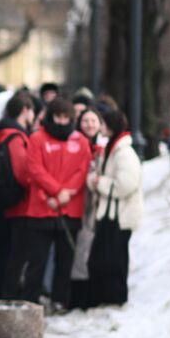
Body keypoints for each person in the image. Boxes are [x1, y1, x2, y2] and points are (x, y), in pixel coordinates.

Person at [9, 97, 92, 313]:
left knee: (65, 261)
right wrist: (56, 192)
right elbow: (34, 168)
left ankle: (60, 300)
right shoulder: (37, 139)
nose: (62, 122)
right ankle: (31, 300)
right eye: (58, 117)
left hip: (69, 209)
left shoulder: (80, 141)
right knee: (37, 260)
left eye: (66, 118)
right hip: (42, 209)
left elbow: (82, 170)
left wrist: (67, 193)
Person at [86, 109, 143, 306]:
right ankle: (107, 298)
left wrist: (100, 183)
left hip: (119, 215)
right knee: (106, 259)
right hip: (112, 214)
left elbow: (126, 183)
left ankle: (114, 299)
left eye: (102, 123)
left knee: (114, 260)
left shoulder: (124, 153)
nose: (100, 127)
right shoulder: (114, 148)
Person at [0, 92, 34, 298]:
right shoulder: (16, 137)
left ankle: (0, 293)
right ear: (25, 110)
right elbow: (23, 174)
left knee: (3, 253)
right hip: (18, 205)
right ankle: (7, 297)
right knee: (14, 255)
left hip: (2, 204)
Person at [69, 107, 105, 309]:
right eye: (86, 121)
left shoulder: (105, 148)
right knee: (79, 249)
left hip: (98, 206)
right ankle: (78, 296)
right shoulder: (73, 144)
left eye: (94, 121)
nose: (90, 125)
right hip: (78, 204)